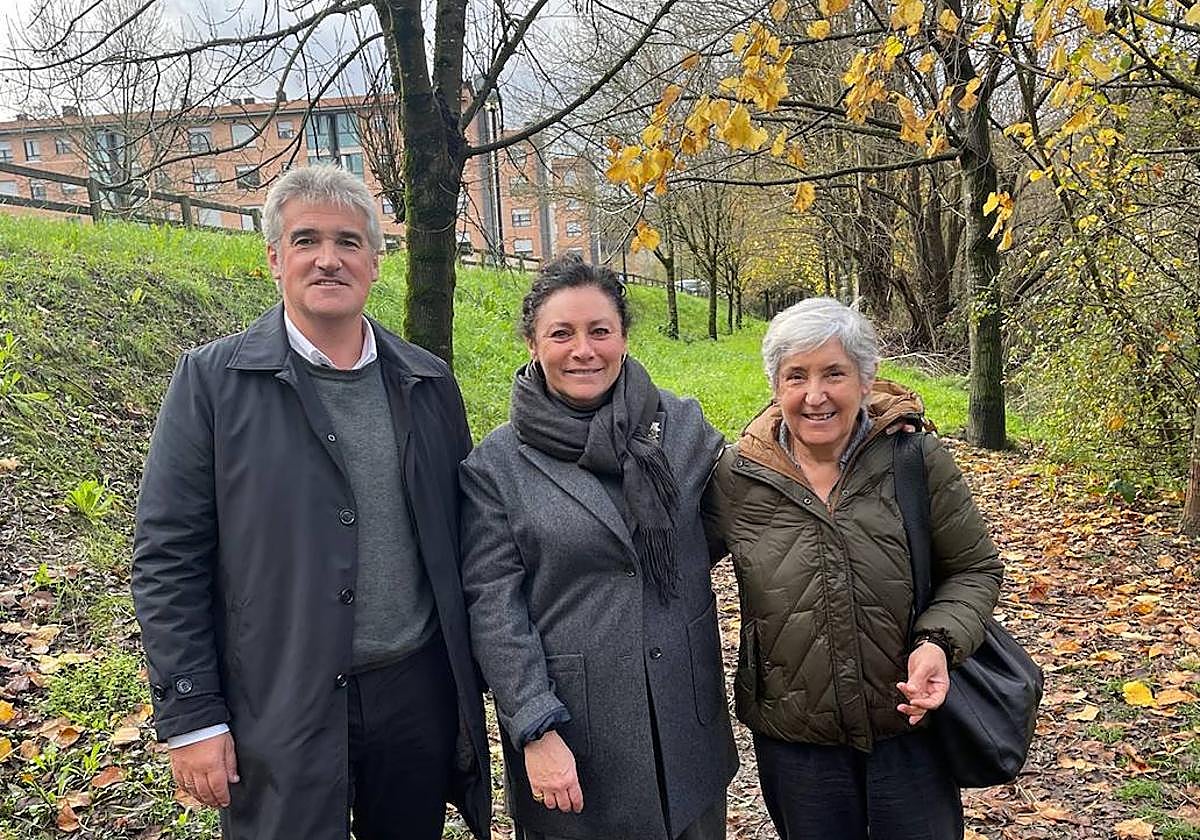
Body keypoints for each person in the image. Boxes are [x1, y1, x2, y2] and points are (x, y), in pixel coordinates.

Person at [131, 164, 490, 840]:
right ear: (273, 258)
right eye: (306, 241)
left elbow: (464, 540)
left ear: (376, 263)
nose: (329, 259)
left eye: (350, 242)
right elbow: (168, 560)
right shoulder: (212, 384)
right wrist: (192, 717)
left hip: (414, 693)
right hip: (278, 698)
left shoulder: (427, 381)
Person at [459, 254, 738, 840]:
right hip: (576, 736)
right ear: (534, 344)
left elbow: (749, 498)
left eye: (599, 331)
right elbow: (493, 609)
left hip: (684, 725)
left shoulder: (681, 427)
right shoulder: (497, 466)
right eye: (561, 333)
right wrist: (535, 726)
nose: (583, 350)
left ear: (624, 339)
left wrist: (870, 419)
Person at [703, 297, 1003, 840]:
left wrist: (938, 642)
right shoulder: (736, 477)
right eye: (797, 376)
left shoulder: (914, 459)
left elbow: (974, 569)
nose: (815, 395)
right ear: (776, 386)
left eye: (834, 373)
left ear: (865, 381)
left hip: (909, 731)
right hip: (796, 744)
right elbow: (666, 567)